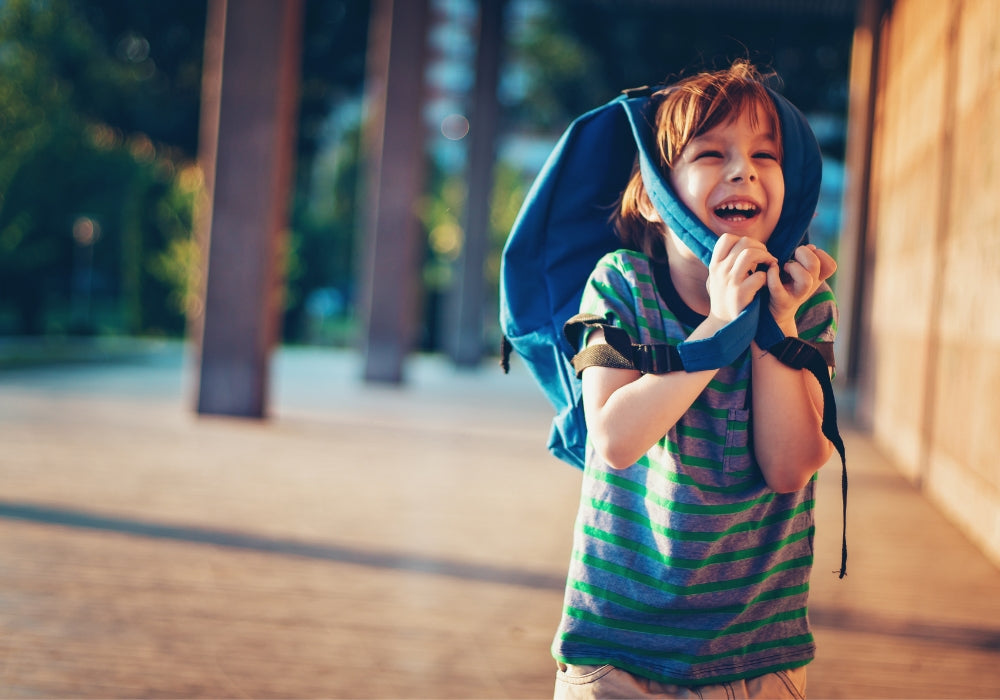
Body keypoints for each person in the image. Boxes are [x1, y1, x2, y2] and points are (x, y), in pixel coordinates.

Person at [552, 60, 839, 699]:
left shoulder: (806, 300)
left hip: (754, 657)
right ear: (652, 196)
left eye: (766, 156)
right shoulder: (620, 283)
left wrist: (773, 325)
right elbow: (615, 439)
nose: (744, 171)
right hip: (618, 651)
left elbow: (790, 468)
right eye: (712, 154)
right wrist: (719, 327)